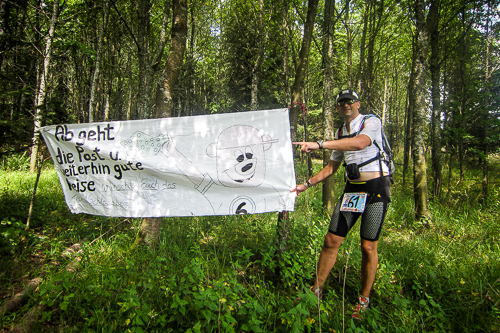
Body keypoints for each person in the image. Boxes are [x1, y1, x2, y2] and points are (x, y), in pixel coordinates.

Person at [291, 89, 391, 320]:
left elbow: (359, 144)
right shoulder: (338, 133)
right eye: (341, 103)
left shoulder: (370, 121)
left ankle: (363, 300)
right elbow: (331, 168)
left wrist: (319, 144)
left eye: (350, 101)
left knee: (368, 246)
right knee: (331, 240)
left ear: (357, 104)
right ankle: (315, 291)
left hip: (376, 189)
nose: (346, 105)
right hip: (353, 190)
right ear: (337, 108)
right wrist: (306, 184)